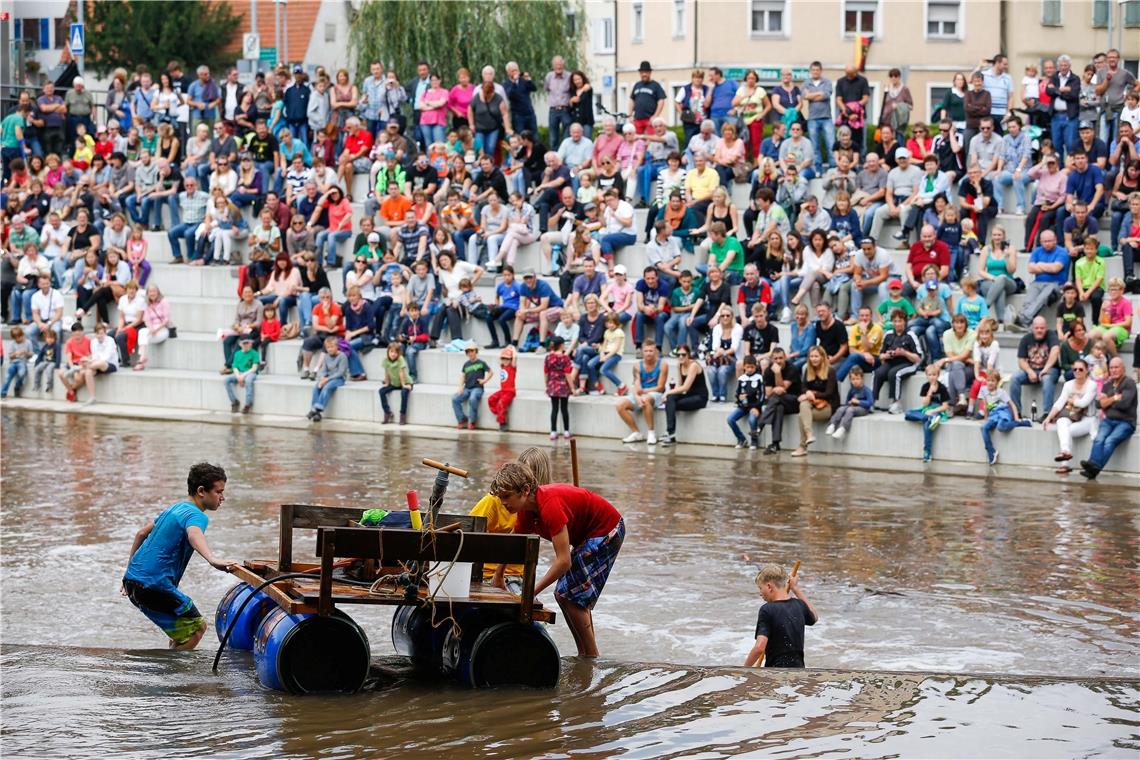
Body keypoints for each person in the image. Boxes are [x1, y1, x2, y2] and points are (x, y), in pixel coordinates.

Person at [489, 461, 624, 657]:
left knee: (569, 595)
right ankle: (584, 654)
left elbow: (564, 561)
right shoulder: (527, 511)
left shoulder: (549, 505)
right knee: (564, 595)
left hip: (606, 530)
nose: (503, 502)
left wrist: (530, 592)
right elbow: (514, 540)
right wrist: (498, 574)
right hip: (587, 536)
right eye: (501, 497)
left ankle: (591, 655)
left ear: (525, 490)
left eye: (507, 496)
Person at [743, 563, 818, 669]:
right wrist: (795, 589)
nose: (760, 593)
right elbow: (814, 617)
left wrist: (744, 670)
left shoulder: (767, 609)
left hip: (775, 673)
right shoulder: (799, 605)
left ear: (769, 586)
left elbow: (759, 648)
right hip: (799, 672)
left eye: (760, 588)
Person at [1080, 357, 1137, 479]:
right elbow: (1098, 404)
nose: (1114, 370)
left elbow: (1125, 405)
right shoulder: (1107, 385)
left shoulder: (1129, 383)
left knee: (1110, 440)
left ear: (1123, 368)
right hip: (1109, 420)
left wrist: (1107, 401)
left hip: (1126, 422)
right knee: (1099, 439)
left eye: (1116, 367)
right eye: (1111, 367)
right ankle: (1092, 468)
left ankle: (1094, 467)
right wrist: (1115, 398)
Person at [1041, 358, 1099, 474]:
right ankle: (1066, 452)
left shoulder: (1092, 385)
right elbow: (1060, 402)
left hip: (1089, 419)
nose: (1077, 371)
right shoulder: (1068, 385)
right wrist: (1048, 418)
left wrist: (1073, 401)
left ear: (1087, 371)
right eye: (1075, 369)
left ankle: (1065, 463)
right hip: (1073, 416)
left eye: (1081, 369)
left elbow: (1084, 403)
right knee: (1061, 422)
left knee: (1068, 431)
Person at [659, 343, 708, 446]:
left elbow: (685, 387)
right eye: (678, 355)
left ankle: (670, 434)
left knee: (671, 402)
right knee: (670, 399)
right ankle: (671, 433)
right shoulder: (679, 365)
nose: (681, 357)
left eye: (683, 354)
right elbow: (679, 385)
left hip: (700, 397)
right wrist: (669, 395)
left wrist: (667, 392)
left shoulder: (693, 365)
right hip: (689, 395)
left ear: (689, 355)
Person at [978, 369, 1031, 466]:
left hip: (1004, 412)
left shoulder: (1001, 392)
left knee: (1001, 427)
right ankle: (991, 451)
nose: (990, 383)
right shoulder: (983, 390)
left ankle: (1021, 423)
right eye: (988, 380)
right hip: (993, 414)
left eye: (993, 381)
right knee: (983, 428)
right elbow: (985, 406)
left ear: (997, 382)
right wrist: (986, 420)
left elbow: (1012, 405)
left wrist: (1016, 418)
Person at [904, 363, 953, 462]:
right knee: (908, 414)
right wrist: (930, 392)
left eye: (934, 375)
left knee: (927, 426)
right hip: (926, 411)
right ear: (926, 376)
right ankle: (928, 418)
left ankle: (927, 452)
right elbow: (925, 404)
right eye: (929, 375)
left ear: (938, 375)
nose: (932, 377)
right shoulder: (925, 386)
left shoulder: (942, 388)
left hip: (938, 411)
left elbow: (945, 406)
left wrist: (933, 411)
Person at [452, 342, 489, 429]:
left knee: (473, 398)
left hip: (477, 388)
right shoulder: (466, 364)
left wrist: (485, 380)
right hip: (467, 388)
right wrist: (460, 386)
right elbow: (463, 376)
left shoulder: (481, 363)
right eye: (468, 352)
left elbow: (490, 372)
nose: (470, 353)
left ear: (476, 351)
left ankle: (472, 421)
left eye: (472, 351)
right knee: (455, 398)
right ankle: (462, 419)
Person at [544, 334, 574, 439]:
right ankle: (566, 431)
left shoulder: (548, 357)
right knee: (564, 408)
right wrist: (572, 387)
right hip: (563, 386)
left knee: (554, 408)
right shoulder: (565, 358)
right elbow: (568, 374)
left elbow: (546, 372)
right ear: (561, 345)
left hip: (552, 385)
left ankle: (553, 431)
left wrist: (546, 385)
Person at [378, 342, 413, 426]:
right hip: (395, 383)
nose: (393, 354)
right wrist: (387, 383)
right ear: (388, 352)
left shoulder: (400, 359)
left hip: (405, 382)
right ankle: (387, 412)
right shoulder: (385, 360)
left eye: (395, 352)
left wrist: (404, 385)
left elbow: (401, 373)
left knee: (404, 393)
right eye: (391, 352)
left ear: (398, 353)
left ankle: (402, 415)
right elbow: (386, 372)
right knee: (381, 391)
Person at [223, 335, 259, 413]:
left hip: (250, 373)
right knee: (226, 380)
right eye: (244, 343)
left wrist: (243, 376)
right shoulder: (237, 354)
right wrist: (238, 376)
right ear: (240, 344)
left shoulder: (254, 353)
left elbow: (254, 368)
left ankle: (248, 404)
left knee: (248, 380)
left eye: (248, 343)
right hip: (239, 373)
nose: (246, 345)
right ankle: (234, 401)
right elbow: (235, 367)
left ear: (250, 343)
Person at [486, 345, 518, 431]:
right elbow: (499, 359)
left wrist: (513, 349)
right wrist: (506, 349)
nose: (505, 360)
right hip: (503, 391)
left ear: (511, 359)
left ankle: (503, 424)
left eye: (507, 359)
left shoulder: (512, 367)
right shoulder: (503, 366)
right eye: (503, 359)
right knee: (491, 399)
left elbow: (515, 358)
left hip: (510, 391)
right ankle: (500, 413)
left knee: (501, 403)